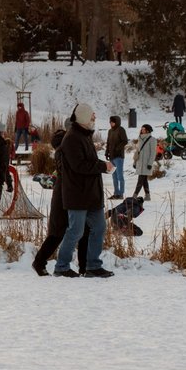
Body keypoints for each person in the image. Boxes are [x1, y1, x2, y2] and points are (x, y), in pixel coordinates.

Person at [54, 102, 114, 278]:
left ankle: (93, 266)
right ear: (83, 118)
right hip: (77, 193)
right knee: (76, 231)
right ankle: (61, 266)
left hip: (90, 194)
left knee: (99, 227)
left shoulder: (84, 135)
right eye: (92, 115)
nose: (94, 117)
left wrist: (102, 166)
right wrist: (103, 166)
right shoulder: (72, 138)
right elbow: (79, 165)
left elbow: (87, 162)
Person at [32, 128, 89, 276]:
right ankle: (39, 262)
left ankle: (83, 266)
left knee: (73, 230)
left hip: (67, 195)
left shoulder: (62, 154)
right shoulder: (64, 154)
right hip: (65, 196)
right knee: (60, 232)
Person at [105, 115, 128, 199]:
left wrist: (117, 149)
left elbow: (125, 141)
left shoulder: (121, 130)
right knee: (114, 176)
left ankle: (121, 194)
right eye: (110, 122)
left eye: (112, 122)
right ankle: (116, 193)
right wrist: (106, 152)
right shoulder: (110, 131)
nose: (111, 123)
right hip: (111, 157)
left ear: (116, 122)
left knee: (119, 176)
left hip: (119, 157)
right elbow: (108, 143)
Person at [132, 124, 157, 201]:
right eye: (141, 129)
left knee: (140, 180)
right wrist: (135, 162)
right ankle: (148, 196)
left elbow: (153, 153)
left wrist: (150, 163)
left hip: (146, 164)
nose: (142, 130)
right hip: (140, 163)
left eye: (143, 129)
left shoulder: (152, 140)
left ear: (147, 130)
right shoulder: (140, 139)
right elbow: (137, 151)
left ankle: (134, 196)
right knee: (144, 180)